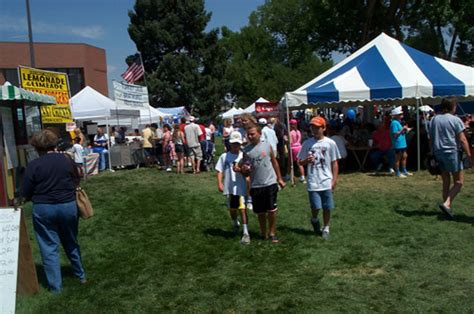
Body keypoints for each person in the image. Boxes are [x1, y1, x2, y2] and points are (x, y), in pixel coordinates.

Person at [21, 129, 86, 293]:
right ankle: (80, 275)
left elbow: (26, 191)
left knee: (48, 246)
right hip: (67, 205)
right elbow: (76, 178)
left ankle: (55, 287)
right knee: (71, 240)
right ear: (54, 143)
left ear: (37, 147)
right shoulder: (66, 160)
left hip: (44, 208)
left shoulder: (34, 165)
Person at [235, 123, 285, 243]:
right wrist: (243, 169)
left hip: (270, 182)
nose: (250, 137)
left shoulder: (267, 146)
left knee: (272, 210)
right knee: (261, 212)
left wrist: (280, 178)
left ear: (259, 134)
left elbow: (274, 162)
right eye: (248, 135)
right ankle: (263, 233)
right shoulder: (246, 150)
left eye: (252, 134)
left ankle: (272, 233)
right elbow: (242, 168)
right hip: (255, 185)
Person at [298, 117, 341, 240]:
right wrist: (306, 160)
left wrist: (334, 180)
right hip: (313, 180)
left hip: (326, 179)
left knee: (327, 206)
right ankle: (314, 219)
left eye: (317, 127)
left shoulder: (330, 143)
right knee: (315, 206)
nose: (314, 130)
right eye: (313, 127)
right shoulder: (307, 143)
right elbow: (300, 162)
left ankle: (326, 227)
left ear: (324, 128)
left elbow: (334, 162)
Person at [429, 97, 473, 218]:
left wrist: (431, 152)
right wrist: (469, 155)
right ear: (452, 107)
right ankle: (447, 204)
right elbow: (462, 139)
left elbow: (431, 138)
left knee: (446, 181)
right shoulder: (455, 120)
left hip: (438, 152)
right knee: (459, 182)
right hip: (452, 152)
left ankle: (447, 208)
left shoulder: (434, 119)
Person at [215, 131, 250, 245]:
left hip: (241, 187)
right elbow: (219, 170)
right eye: (233, 143)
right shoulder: (225, 156)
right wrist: (220, 183)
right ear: (230, 143)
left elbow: (249, 171)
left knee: (242, 208)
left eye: (238, 144)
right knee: (232, 209)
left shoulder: (244, 156)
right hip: (230, 188)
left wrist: (241, 169)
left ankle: (245, 233)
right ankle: (235, 222)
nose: (236, 146)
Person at [390, 106, 411, 178]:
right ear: (396, 115)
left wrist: (405, 130)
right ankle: (398, 172)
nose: (401, 115)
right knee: (398, 158)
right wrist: (403, 129)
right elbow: (395, 134)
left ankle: (404, 170)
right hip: (398, 144)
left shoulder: (398, 122)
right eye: (400, 114)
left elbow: (400, 132)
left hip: (402, 143)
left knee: (405, 156)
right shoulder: (394, 123)